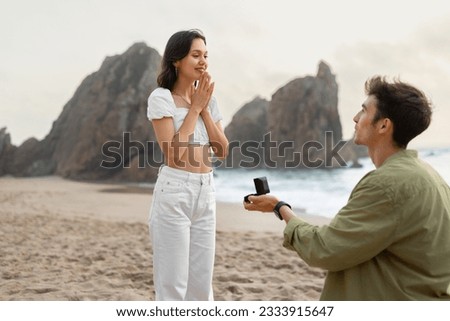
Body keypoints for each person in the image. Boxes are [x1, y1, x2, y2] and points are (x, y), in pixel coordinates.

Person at [244, 76, 450, 300]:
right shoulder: (434, 178)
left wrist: (280, 207)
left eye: (363, 111)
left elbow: (325, 248)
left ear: (383, 125)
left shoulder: (385, 185)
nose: (355, 118)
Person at [147, 29, 228, 301]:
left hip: (206, 192)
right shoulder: (161, 98)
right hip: (175, 192)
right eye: (196, 55)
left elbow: (222, 151)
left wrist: (203, 107)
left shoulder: (209, 102)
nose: (203, 60)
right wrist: (193, 110)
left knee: (201, 289)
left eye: (206, 55)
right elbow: (173, 154)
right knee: (172, 287)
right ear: (176, 60)